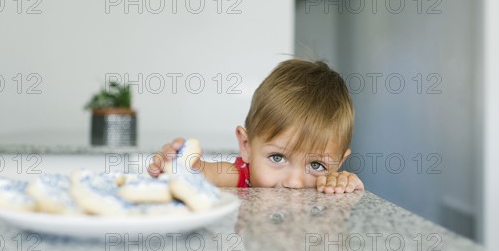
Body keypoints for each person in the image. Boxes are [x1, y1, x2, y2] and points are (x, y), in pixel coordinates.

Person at [147, 59, 364, 194]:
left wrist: (346, 185)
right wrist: (177, 164)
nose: (295, 183)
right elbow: (205, 173)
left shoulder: (329, 184)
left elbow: (350, 205)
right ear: (246, 146)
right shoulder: (243, 175)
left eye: (317, 165)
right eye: (277, 158)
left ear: (339, 162)